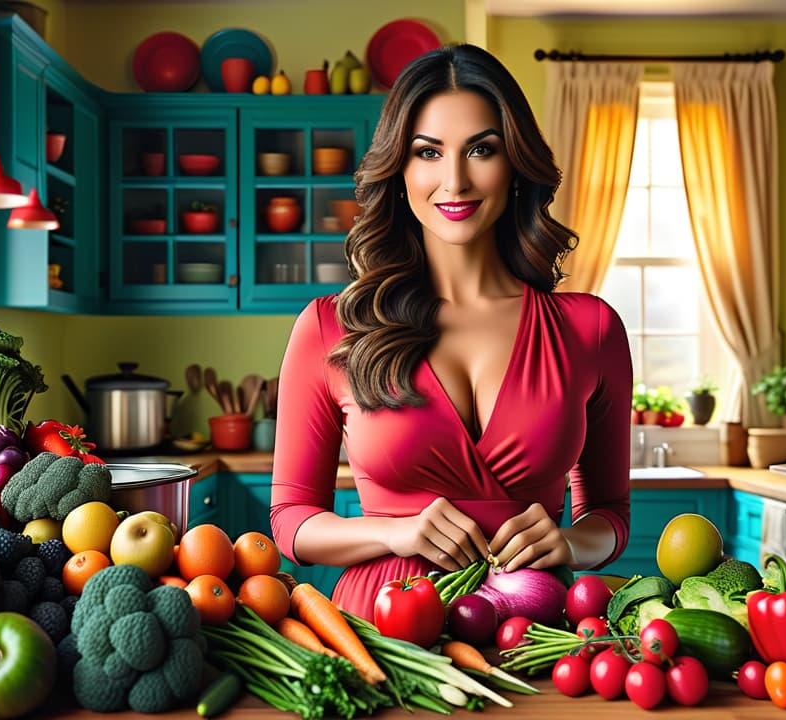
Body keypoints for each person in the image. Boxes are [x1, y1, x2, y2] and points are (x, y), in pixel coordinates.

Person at [270, 43, 632, 621]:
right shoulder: (330, 327)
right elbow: (290, 521)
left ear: (515, 163)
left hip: (534, 635)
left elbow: (609, 512)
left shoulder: (590, 330)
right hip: (383, 632)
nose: (455, 180)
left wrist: (571, 543)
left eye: (481, 150)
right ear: (401, 168)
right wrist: (395, 534)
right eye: (428, 152)